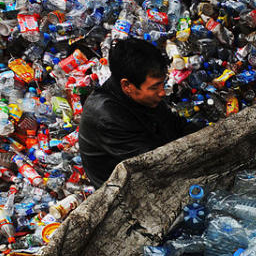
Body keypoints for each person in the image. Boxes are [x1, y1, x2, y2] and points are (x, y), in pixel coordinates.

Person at [79, 38, 200, 188]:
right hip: (123, 191)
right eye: (155, 87)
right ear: (127, 85)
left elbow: (174, 125)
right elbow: (153, 165)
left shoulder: (143, 95)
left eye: (163, 83)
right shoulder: (106, 116)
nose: (163, 92)